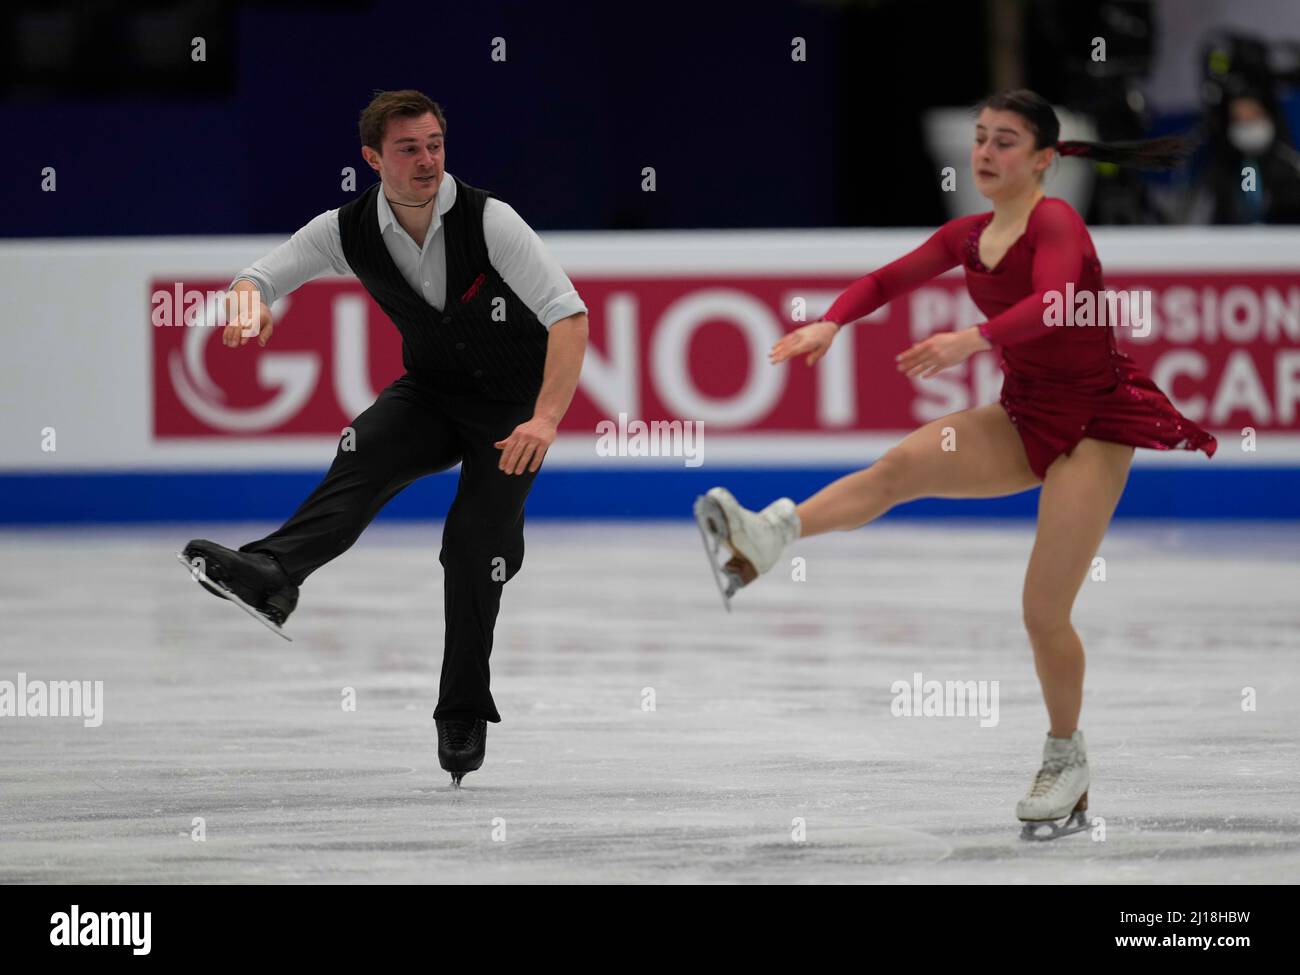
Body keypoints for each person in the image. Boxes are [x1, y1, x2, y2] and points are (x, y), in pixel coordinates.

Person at [694, 89, 1216, 839]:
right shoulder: (971, 235)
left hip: (1095, 423)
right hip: (1026, 413)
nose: (984, 153)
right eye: (979, 139)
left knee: (1042, 611)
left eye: (1005, 141)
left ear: (1042, 159)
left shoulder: (1057, 222)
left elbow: (1059, 301)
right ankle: (764, 537)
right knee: (897, 469)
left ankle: (1065, 757)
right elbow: (885, 280)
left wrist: (969, 339)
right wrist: (831, 323)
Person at [181, 89, 589, 787]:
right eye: (408, 148)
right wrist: (250, 304)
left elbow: (569, 317)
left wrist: (546, 417)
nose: (427, 159)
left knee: (474, 549)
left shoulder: (491, 221)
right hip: (430, 393)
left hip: (511, 410)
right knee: (363, 450)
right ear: (373, 158)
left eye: (434, 144)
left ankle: (461, 710)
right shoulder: (348, 228)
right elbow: (260, 276)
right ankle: (274, 574)